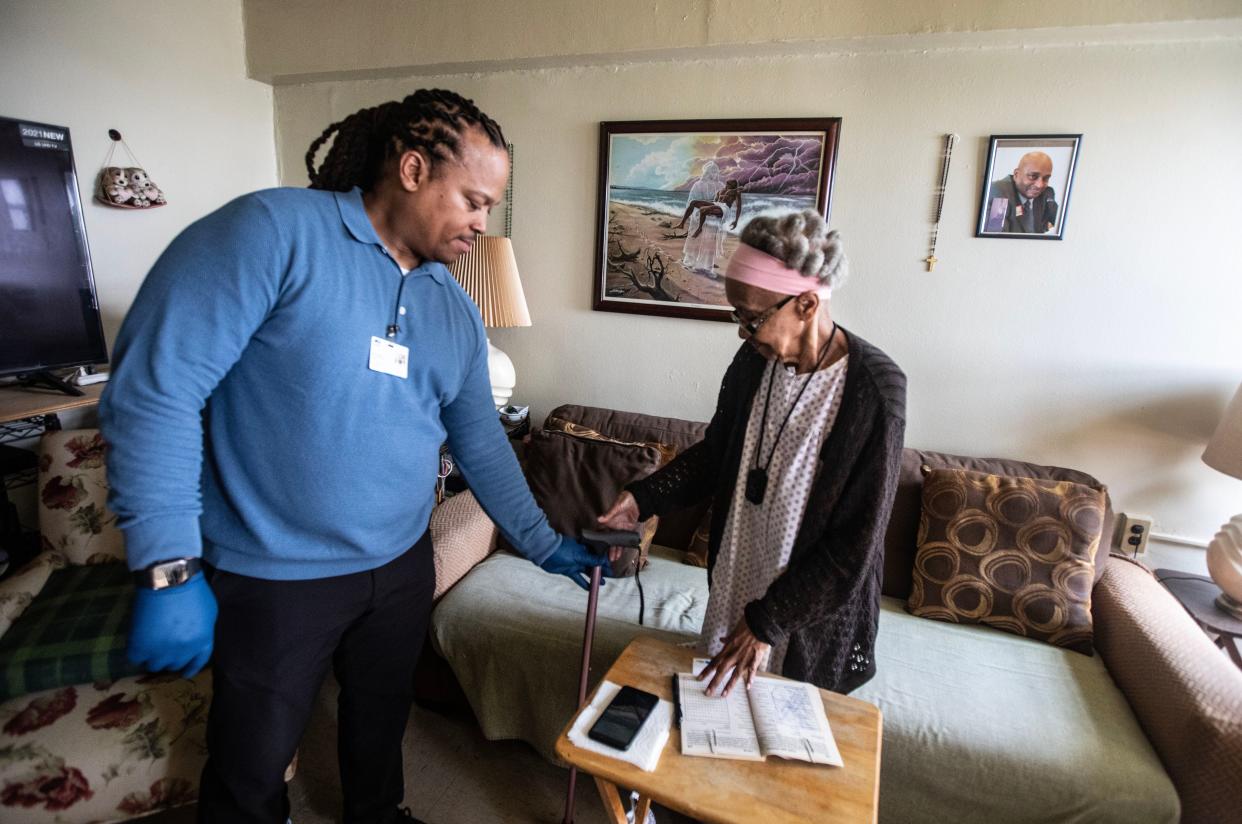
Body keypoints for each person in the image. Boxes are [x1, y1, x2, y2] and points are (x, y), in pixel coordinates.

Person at [100, 89, 603, 824]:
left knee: (378, 724)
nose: (482, 222)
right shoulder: (271, 233)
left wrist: (540, 541)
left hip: (398, 565)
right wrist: (166, 564)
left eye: (491, 206)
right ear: (410, 169)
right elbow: (155, 392)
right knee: (250, 763)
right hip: (275, 576)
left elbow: (480, 440)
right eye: (472, 199)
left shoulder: (452, 305)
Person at [599, 209, 906, 698]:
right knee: (716, 727)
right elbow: (718, 454)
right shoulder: (753, 362)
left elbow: (855, 544)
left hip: (805, 615)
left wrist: (768, 623)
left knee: (782, 755)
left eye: (753, 318)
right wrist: (642, 499)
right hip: (740, 583)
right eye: (736, 317)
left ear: (806, 304)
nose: (744, 333)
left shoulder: (873, 390)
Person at [985, 150, 1059, 233]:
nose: (1040, 185)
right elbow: (995, 236)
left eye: (1046, 178)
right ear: (1016, 174)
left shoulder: (1046, 193)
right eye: (1033, 176)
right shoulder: (1000, 192)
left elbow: (1056, 223)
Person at [680, 161, 731, 275]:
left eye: (716, 171)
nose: (714, 173)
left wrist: (720, 211)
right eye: (712, 171)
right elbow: (691, 202)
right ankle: (690, 263)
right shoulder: (698, 184)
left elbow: (727, 204)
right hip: (700, 216)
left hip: (713, 219)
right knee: (696, 239)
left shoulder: (721, 186)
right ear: (707, 172)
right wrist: (702, 211)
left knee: (710, 243)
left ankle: (706, 267)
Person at [675, 179, 743, 238]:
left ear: (733, 185)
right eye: (728, 183)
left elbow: (739, 207)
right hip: (716, 204)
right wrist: (706, 203)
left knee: (703, 209)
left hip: (724, 208)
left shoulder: (736, 193)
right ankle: (682, 224)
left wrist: (736, 221)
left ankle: (699, 229)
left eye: (730, 184)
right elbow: (715, 201)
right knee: (693, 202)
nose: (727, 185)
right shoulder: (721, 191)